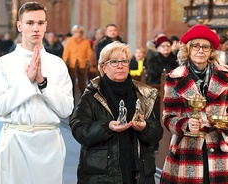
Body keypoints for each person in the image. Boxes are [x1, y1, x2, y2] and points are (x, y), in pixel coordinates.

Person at [0, 2, 74, 184]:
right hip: (16, 141)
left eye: (40, 23)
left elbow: (66, 110)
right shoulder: (3, 64)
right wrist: (27, 81)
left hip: (50, 145)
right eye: (30, 23)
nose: (35, 28)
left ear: (46, 25)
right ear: (19, 26)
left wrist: (42, 83)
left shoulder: (57, 64)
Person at [160, 24, 228, 183]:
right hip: (187, 147)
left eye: (206, 47)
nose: (200, 50)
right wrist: (185, 124)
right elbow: (168, 116)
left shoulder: (226, 73)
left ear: (211, 51)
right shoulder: (175, 77)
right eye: (196, 46)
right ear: (188, 49)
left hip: (221, 145)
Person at [69, 41, 163, 184]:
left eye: (124, 61)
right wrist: (107, 127)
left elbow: (157, 132)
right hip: (103, 174)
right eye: (114, 62)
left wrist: (145, 128)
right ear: (103, 67)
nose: (120, 65)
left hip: (138, 172)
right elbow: (79, 129)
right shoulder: (93, 95)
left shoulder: (143, 93)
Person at [62, 24, 94, 94]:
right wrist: (64, 66)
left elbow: (90, 55)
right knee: (71, 85)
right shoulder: (69, 42)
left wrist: (90, 65)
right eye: (76, 32)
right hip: (72, 67)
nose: (78, 34)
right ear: (73, 32)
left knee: (82, 85)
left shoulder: (86, 42)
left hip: (83, 67)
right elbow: (65, 55)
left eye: (80, 32)